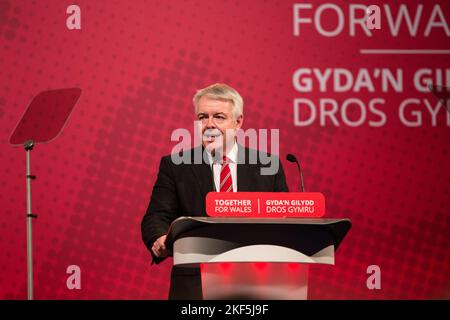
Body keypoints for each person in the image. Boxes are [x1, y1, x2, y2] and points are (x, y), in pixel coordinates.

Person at [141, 83, 288, 299]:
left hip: (258, 282)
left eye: (218, 117)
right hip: (196, 284)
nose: (209, 124)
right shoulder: (176, 165)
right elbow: (156, 215)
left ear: (238, 122)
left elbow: (285, 219)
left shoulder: (267, 165)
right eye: (203, 117)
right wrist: (159, 237)